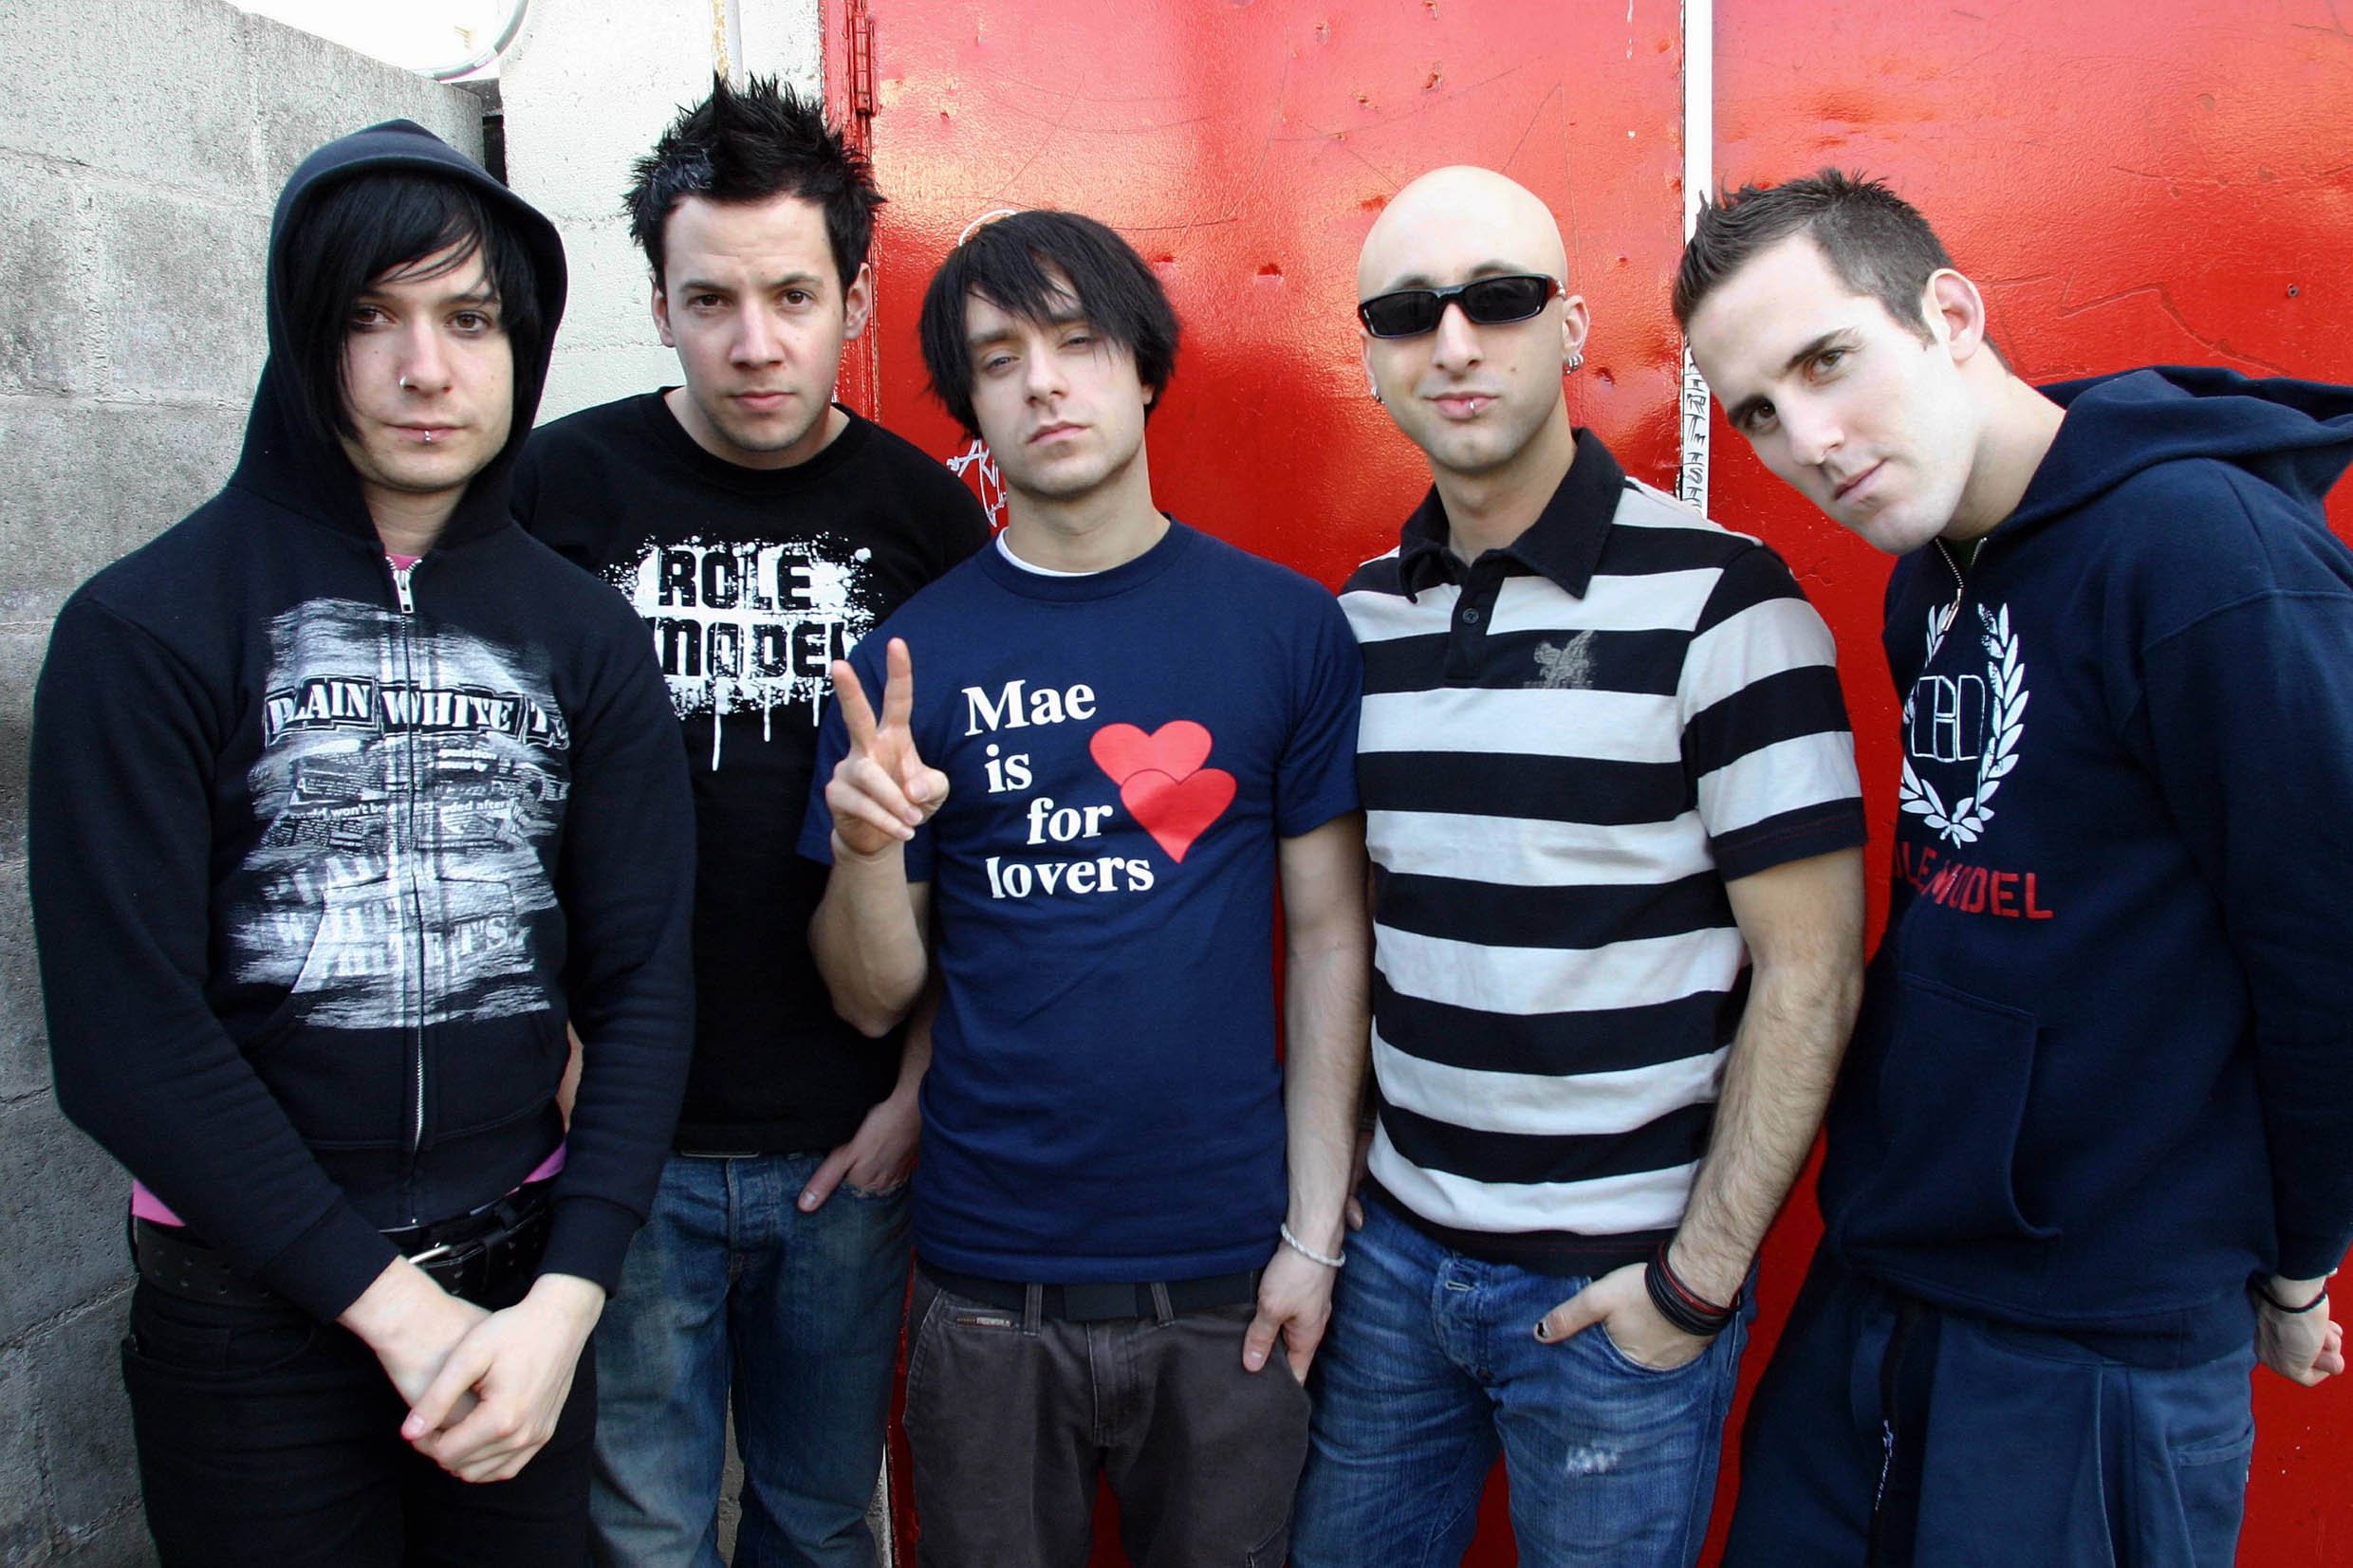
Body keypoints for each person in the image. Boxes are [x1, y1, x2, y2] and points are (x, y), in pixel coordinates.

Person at [26, 120, 695, 1565]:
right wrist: (395, 1312)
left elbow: (645, 981)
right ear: (300, 335)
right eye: (368, 318)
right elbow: (126, 1039)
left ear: (521, 342)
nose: (425, 368)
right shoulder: (144, 628)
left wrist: (570, 1299)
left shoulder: (585, 636)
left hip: (522, 1305)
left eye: (469, 319)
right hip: (248, 1326)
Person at [1677, 169, 2353, 1564]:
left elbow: (2329, 954)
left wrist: (2299, 1262)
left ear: (1951, 314)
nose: (1808, 440)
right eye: (1758, 411)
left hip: (2097, 1334)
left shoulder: (2203, 555)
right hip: (1888, 1282)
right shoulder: (1928, 572)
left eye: (1825, 361)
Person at [1290, 165, 1869, 1568]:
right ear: (1369, 357)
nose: (1453, 342)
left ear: (1571, 327)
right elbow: (1353, 935)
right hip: (1394, 1267)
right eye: (1406, 313)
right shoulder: (1360, 621)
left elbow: (1813, 974)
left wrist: (1695, 1283)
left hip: (1623, 1292)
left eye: (1497, 299)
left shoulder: (1728, 603)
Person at [801, 208, 1369, 1567]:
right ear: (971, 407)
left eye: (1078, 341)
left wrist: (1313, 1234)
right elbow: (871, 997)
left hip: (1231, 1279)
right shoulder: (905, 669)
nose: (1044, 382)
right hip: (990, 1286)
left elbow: (1328, 939)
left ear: (1144, 363)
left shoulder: (1285, 629)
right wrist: (870, 850)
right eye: (1000, 359)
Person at [511, 76, 990, 1568]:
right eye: (710, 299)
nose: (755, 342)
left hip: (847, 1143)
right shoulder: (553, 492)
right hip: (621, 1142)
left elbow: (979, 852)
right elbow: (484, 805)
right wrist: (547, 1051)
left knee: (819, 1520)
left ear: (853, 301)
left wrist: (917, 1090)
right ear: (657, 305)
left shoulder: (926, 520)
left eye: (792, 296)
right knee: (640, 1529)